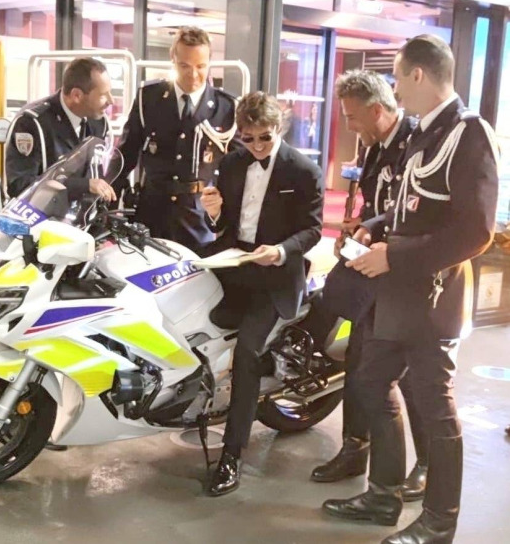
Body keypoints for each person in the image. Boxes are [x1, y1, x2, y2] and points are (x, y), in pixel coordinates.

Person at [321, 35, 499, 544]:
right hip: (398, 294)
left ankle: (440, 522)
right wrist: (375, 227)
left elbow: (476, 232)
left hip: (433, 297)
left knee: (434, 407)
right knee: (370, 383)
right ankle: (384, 495)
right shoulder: (427, 132)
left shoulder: (468, 133)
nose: (395, 88)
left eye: (398, 78)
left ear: (418, 74)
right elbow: (411, 207)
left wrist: (394, 255)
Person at [300, 70, 428, 502]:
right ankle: (355, 449)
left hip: (407, 274)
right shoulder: (376, 145)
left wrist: (374, 227)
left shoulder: (417, 143)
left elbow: (417, 212)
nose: (350, 126)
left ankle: (426, 465)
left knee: (411, 378)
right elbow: (377, 202)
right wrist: (360, 227)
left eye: (353, 117)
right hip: (370, 268)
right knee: (358, 361)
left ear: (376, 110)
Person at [200, 91, 324, 496]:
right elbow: (223, 227)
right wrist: (214, 213)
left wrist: (281, 251)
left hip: (276, 275)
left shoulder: (303, 170)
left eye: (264, 138)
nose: (255, 146)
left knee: (247, 354)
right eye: (248, 138)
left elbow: (313, 229)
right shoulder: (231, 164)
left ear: (279, 128)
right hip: (234, 265)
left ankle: (232, 455)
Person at [110, 26, 237, 253]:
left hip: (197, 216)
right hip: (151, 212)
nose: (193, 75)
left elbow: (237, 165)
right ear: (173, 59)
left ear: (210, 62)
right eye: (184, 66)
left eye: (201, 66)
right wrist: (109, 205)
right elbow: (126, 155)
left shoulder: (226, 107)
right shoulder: (149, 98)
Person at [5, 58, 115, 202]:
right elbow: (20, 185)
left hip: (83, 214)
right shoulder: (32, 123)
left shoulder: (99, 121)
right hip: (42, 213)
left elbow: (95, 172)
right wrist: (83, 186)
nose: (111, 101)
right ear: (77, 95)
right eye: (103, 95)